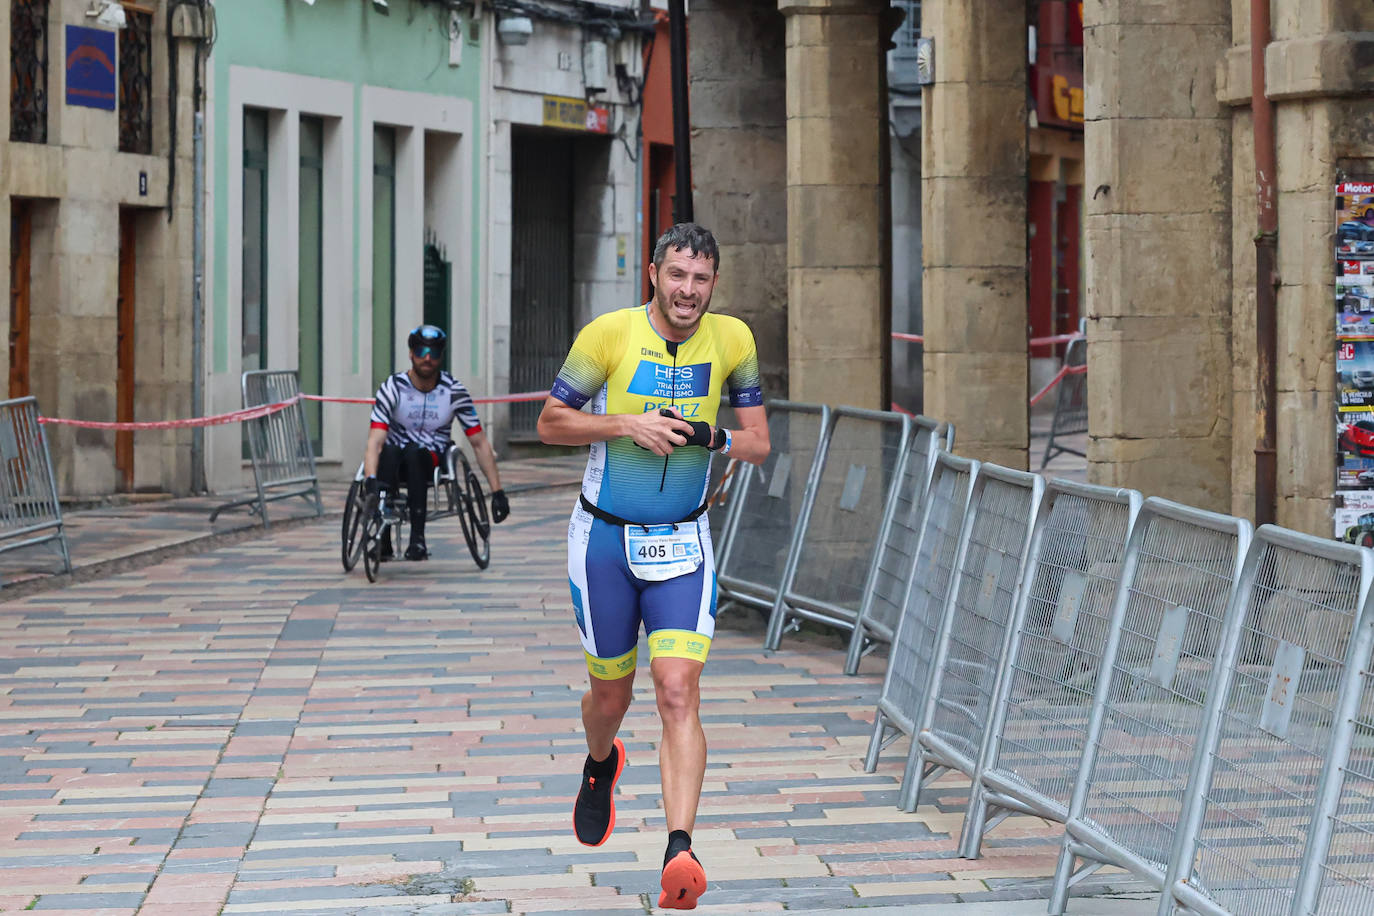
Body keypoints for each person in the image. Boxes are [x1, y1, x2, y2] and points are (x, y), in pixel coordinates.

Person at [536, 223, 770, 909]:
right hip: (604, 542)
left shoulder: (734, 341)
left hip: (683, 546)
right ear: (654, 274)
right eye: (677, 275)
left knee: (677, 691)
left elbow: (756, 444)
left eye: (700, 279)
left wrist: (710, 434)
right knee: (611, 695)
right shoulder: (606, 334)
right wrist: (626, 423)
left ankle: (679, 849)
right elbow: (551, 423)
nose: (687, 291)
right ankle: (601, 763)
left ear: (713, 284)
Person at [364, 324, 509, 560]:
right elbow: (375, 441)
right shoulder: (393, 388)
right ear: (411, 354)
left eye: (433, 352)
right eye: (421, 352)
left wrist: (498, 491)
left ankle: (417, 539)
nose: (427, 358)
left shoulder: (454, 391)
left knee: (414, 453)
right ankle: (384, 539)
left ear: (441, 356)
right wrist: (370, 479)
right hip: (393, 461)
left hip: (430, 459)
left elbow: (480, 443)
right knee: (389, 450)